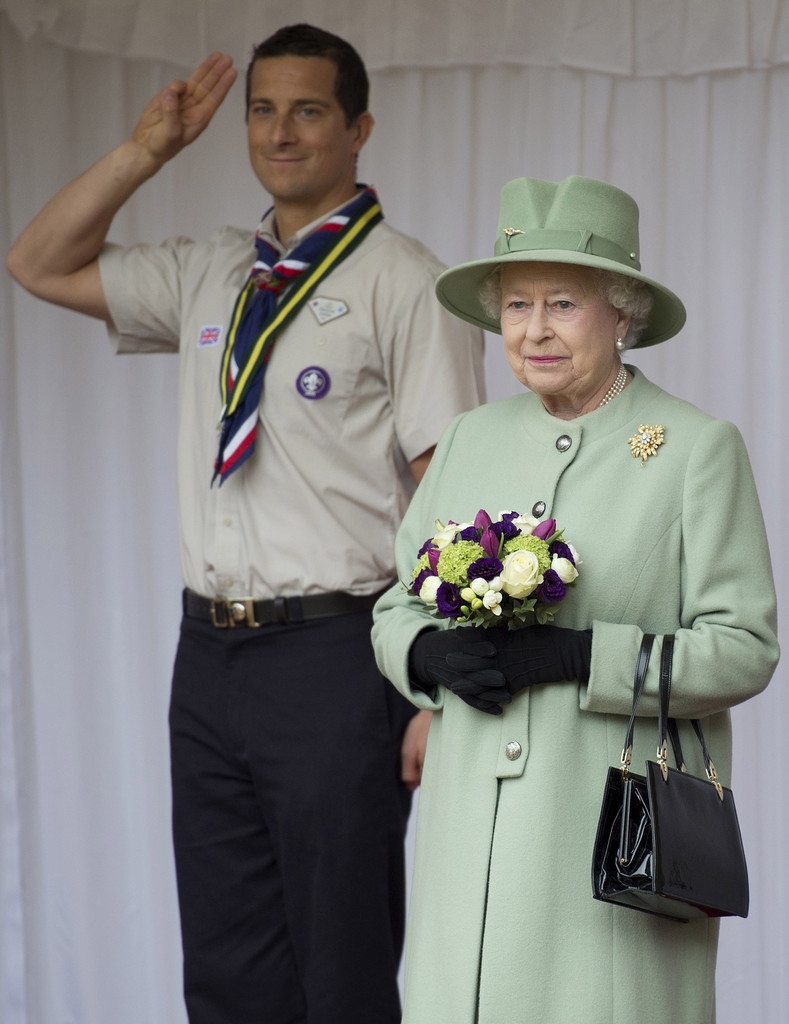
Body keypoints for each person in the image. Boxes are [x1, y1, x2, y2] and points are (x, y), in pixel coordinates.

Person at [6, 22, 484, 1024]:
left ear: (358, 129)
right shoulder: (212, 270)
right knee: (227, 969)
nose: (280, 132)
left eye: (307, 110)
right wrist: (145, 152)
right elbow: (36, 263)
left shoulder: (404, 280)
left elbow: (452, 491)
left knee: (341, 962)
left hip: (338, 657)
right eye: (263, 110)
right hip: (209, 657)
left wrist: (441, 689)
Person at [371, 174, 779, 1023]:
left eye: (562, 303)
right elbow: (396, 606)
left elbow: (744, 647)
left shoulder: (693, 448)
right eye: (516, 306)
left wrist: (583, 656)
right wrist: (425, 654)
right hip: (466, 832)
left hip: (604, 840)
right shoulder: (470, 438)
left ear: (621, 314)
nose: (534, 330)